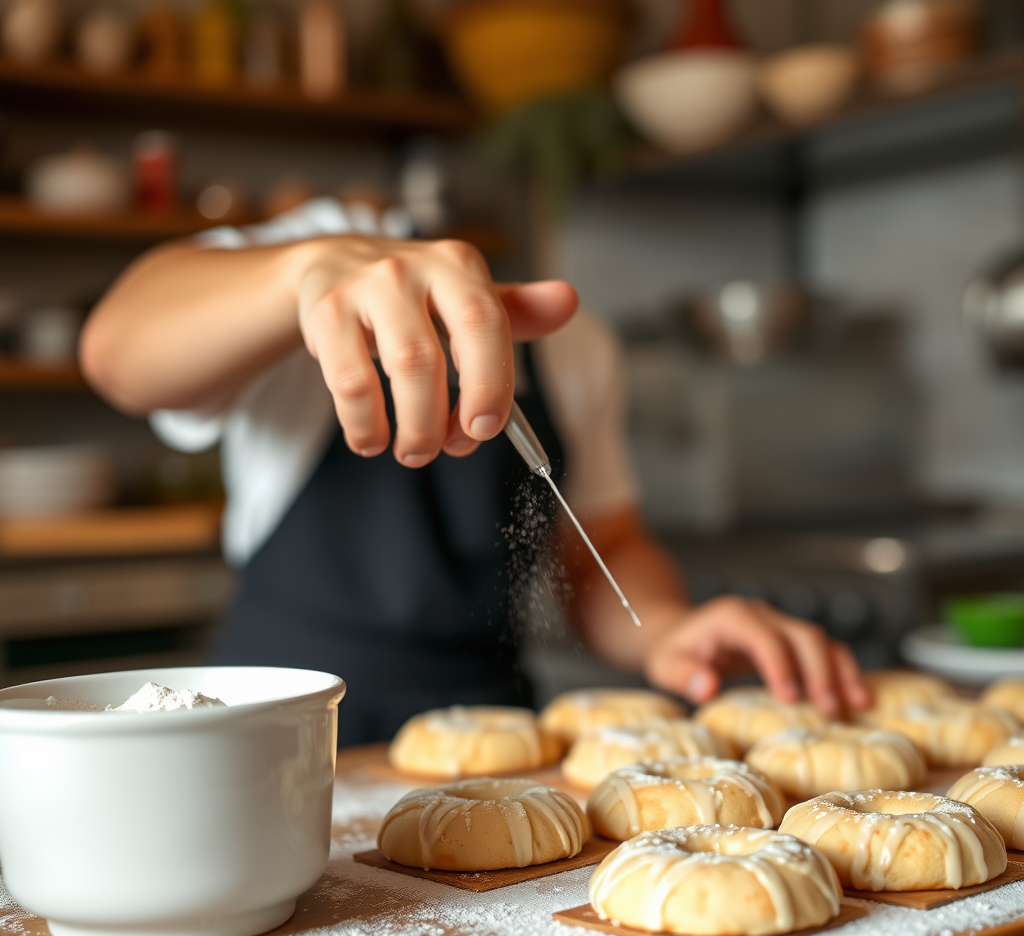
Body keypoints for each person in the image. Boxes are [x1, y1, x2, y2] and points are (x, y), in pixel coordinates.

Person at [80, 198, 870, 745]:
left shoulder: (573, 343)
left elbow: (601, 547)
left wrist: (666, 628)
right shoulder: (310, 263)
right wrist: (306, 274)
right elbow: (117, 351)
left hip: (494, 733)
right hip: (273, 732)